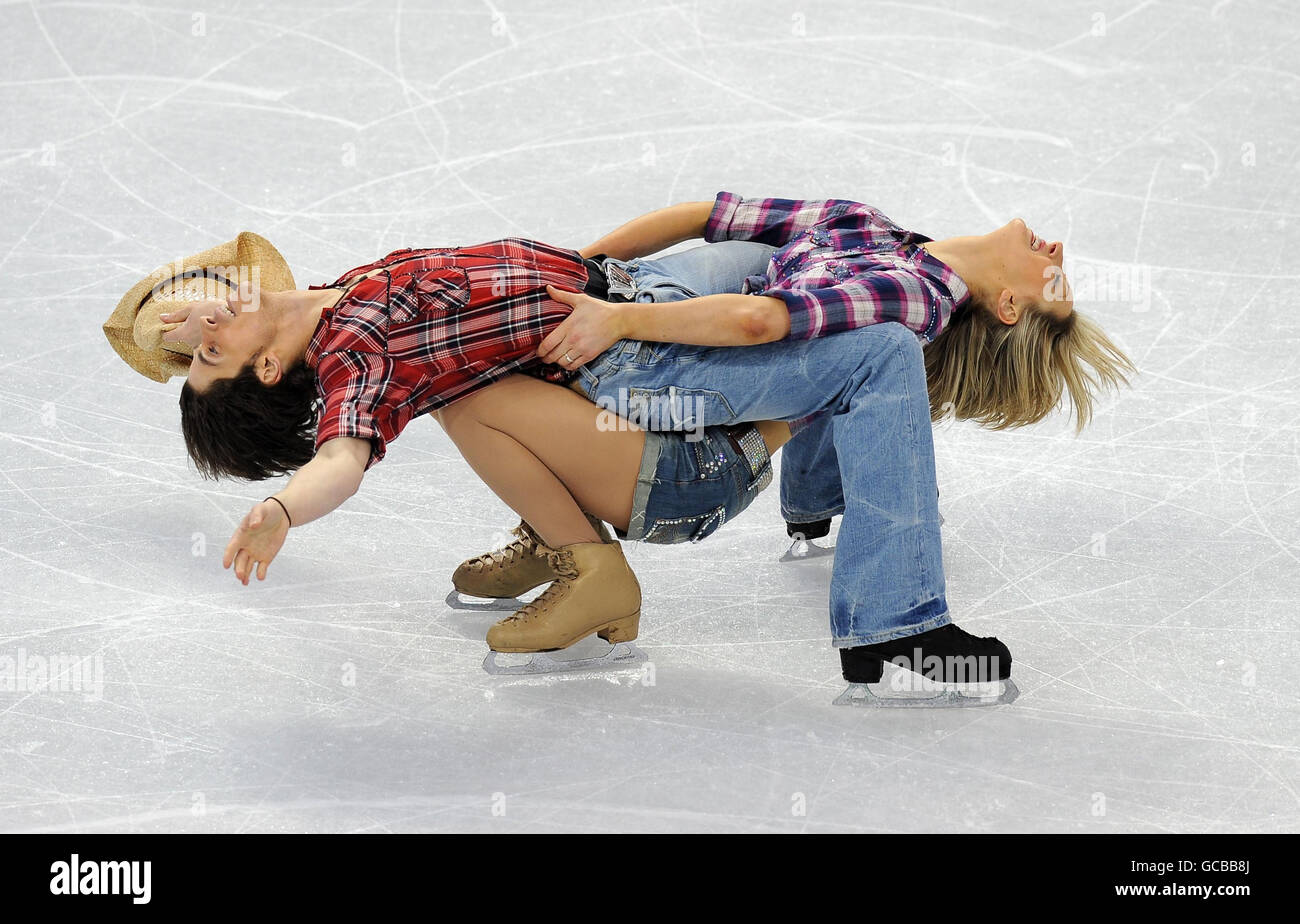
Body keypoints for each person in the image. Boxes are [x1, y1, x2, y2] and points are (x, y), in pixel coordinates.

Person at [158, 193, 1132, 696]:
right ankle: (592, 553)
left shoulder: (904, 284)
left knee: (862, 341)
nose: (1055, 256)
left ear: (1002, 309)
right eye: (211, 348)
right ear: (272, 372)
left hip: (665, 412)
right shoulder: (357, 350)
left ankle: (866, 585)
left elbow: (754, 316)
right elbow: (342, 455)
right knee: (466, 388)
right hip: (650, 406)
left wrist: (607, 295)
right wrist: (607, 286)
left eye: (205, 333)